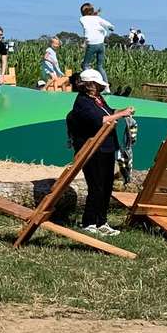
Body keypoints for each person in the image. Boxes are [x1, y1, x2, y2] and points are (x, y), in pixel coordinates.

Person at [66, 70, 133, 237]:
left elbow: (108, 112)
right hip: (91, 149)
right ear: (89, 85)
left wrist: (123, 110)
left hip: (107, 147)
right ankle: (89, 222)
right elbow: (98, 120)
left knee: (107, 185)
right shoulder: (82, 102)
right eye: (96, 85)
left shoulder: (98, 100)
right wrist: (121, 114)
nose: (99, 88)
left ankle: (102, 221)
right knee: (96, 185)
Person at [78, 2, 114, 75]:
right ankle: (106, 86)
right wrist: (110, 28)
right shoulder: (97, 18)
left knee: (85, 65)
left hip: (91, 44)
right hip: (101, 45)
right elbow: (110, 26)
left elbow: (88, 19)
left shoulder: (82, 19)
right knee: (99, 66)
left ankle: (88, 81)